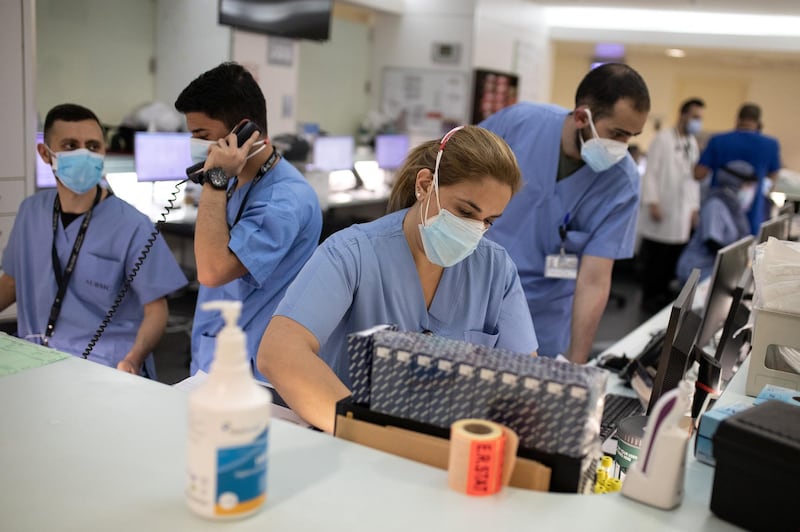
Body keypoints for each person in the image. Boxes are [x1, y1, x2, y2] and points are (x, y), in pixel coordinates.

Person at [257, 125, 538, 433]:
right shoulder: (353, 253)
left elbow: (525, 382)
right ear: (425, 184)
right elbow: (280, 352)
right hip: (353, 444)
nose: (476, 230)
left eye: (488, 221)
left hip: (445, 452)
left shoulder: (495, 269)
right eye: (465, 212)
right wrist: (373, 437)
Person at [480, 63, 650, 363]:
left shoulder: (622, 182)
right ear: (583, 117)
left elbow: (595, 280)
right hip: (474, 288)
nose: (623, 147)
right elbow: (455, 183)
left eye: (631, 137)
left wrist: (576, 366)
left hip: (541, 315)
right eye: (617, 134)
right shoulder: (519, 123)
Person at [0, 103, 187, 376]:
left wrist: (134, 359)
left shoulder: (132, 225)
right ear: (45, 153)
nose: (84, 154)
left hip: (106, 366)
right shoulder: (31, 211)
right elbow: (12, 281)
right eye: (70, 145)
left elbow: (156, 311)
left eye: (92, 146)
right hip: (35, 359)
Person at [174, 62, 322, 381]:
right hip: (213, 356)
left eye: (202, 135)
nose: (195, 145)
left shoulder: (285, 200)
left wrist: (213, 180)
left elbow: (213, 271)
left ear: (242, 132)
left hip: (253, 371)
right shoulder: (231, 181)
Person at [637, 98, 705, 313]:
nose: (697, 122)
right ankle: (649, 297)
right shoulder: (662, 139)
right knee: (656, 257)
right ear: (682, 115)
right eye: (695, 117)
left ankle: (663, 294)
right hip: (661, 208)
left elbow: (693, 180)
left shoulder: (692, 143)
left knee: (673, 256)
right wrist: (652, 201)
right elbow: (651, 174)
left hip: (682, 211)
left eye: (700, 118)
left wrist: (694, 207)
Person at [694, 103, 781, 235]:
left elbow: (698, 174)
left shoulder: (718, 141)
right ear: (758, 122)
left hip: (717, 215)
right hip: (751, 215)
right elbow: (773, 178)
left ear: (738, 119)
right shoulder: (770, 145)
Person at [676, 160, 756, 282]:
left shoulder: (736, 209)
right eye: (748, 186)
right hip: (699, 269)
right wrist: (739, 260)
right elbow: (712, 242)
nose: (750, 191)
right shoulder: (715, 205)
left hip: (716, 268)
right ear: (736, 183)